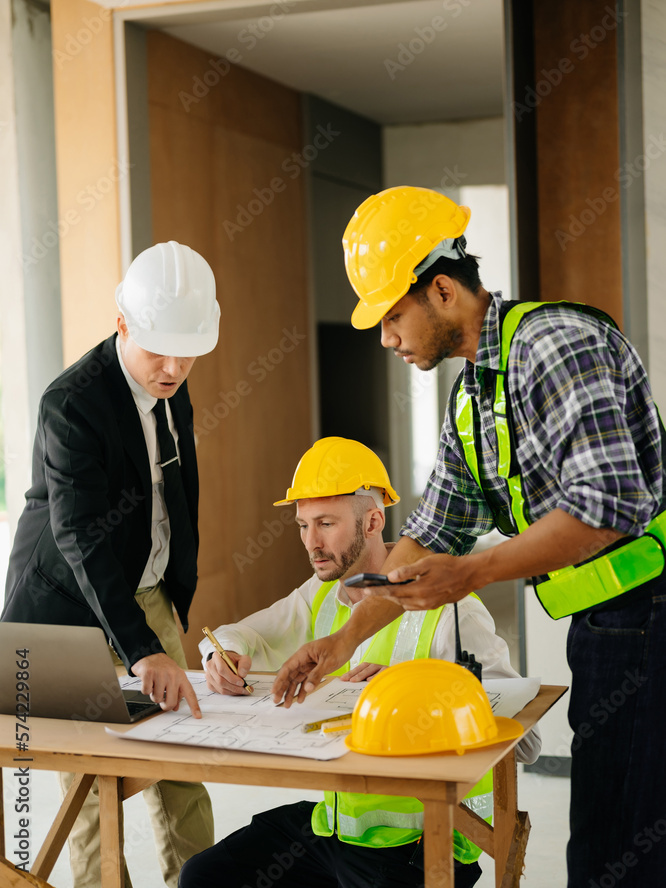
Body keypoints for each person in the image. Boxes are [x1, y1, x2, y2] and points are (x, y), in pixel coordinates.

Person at [272, 186, 666, 888]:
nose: (387, 338)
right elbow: (424, 538)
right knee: (609, 846)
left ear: (444, 290)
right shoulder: (472, 398)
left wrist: (474, 573)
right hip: (607, 622)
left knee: (621, 854)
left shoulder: (554, 346)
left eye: (393, 316)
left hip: (653, 614)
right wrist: (343, 640)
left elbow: (609, 505)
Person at [180, 436, 540, 888]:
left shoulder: (449, 606)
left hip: (422, 843)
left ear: (372, 521)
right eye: (303, 525)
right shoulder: (321, 595)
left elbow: (525, 742)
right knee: (205, 876)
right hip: (336, 826)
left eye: (326, 523)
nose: (312, 543)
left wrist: (407, 695)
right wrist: (220, 654)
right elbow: (242, 633)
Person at [2, 240, 220, 887]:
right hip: (63, 608)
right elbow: (81, 538)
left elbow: (173, 494)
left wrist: (172, 604)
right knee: (95, 787)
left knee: (182, 764)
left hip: (144, 588)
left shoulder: (172, 385)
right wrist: (139, 647)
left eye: (188, 351)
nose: (175, 367)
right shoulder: (72, 403)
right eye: (160, 349)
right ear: (123, 323)